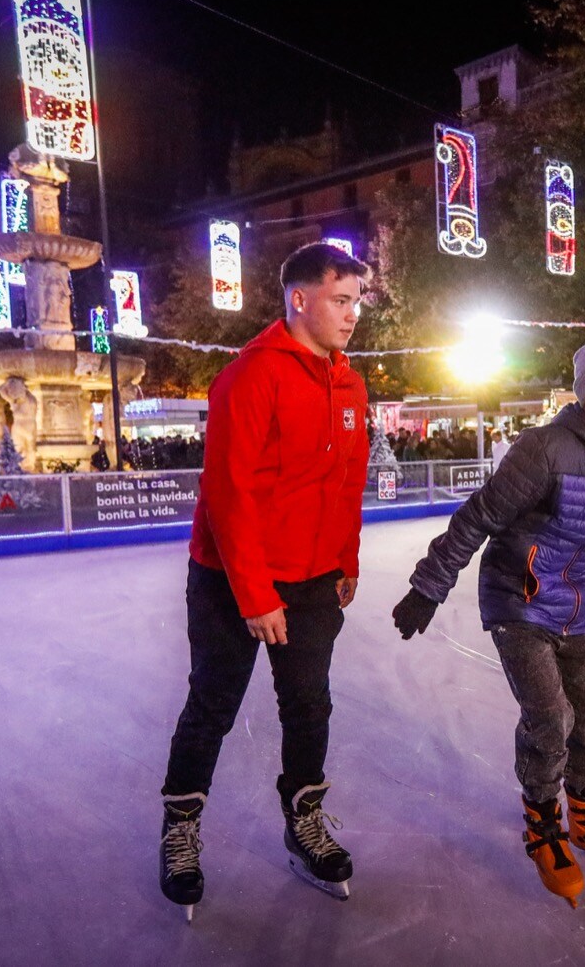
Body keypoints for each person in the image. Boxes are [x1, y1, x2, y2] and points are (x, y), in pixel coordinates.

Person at [389, 337, 585, 908]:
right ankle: (542, 822)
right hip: (518, 599)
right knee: (551, 718)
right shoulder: (543, 449)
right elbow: (479, 515)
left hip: (577, 605)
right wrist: (427, 588)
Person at [158, 243, 370, 917]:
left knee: (309, 705)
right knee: (213, 705)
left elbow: (346, 483)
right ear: (300, 298)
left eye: (357, 300)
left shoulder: (349, 382)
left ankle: (304, 820)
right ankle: (181, 828)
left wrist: (347, 559)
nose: (353, 313)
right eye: (342, 299)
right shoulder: (250, 377)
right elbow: (228, 494)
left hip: (314, 578)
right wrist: (254, 595)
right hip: (232, 578)